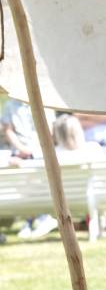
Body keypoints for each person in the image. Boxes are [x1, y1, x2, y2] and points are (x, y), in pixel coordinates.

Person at [0, 98, 58, 238]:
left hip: (40, 151)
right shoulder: (11, 104)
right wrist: (22, 149)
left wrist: (36, 148)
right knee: (24, 187)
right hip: (19, 152)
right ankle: (30, 219)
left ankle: (41, 217)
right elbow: (8, 130)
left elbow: (48, 130)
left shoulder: (45, 102)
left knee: (37, 185)